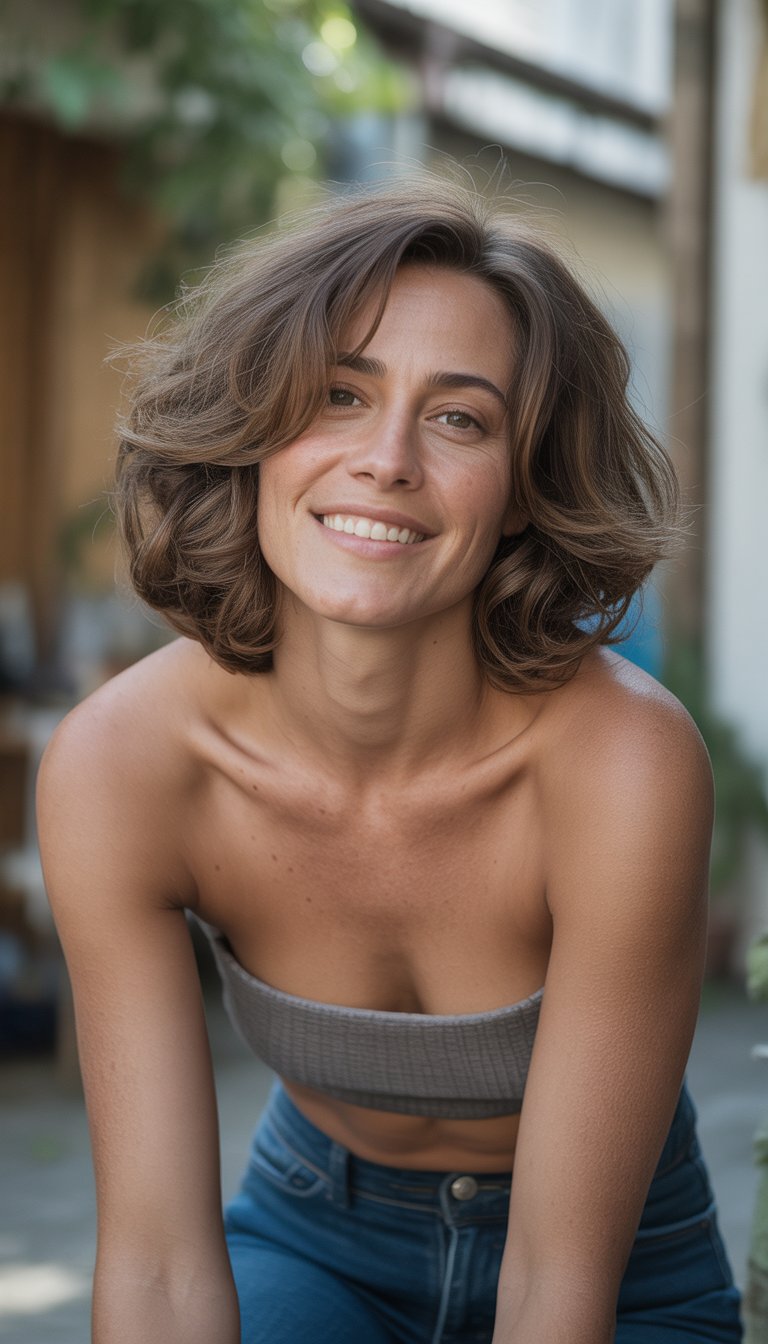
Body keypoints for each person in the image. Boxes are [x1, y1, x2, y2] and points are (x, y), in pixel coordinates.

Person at [37, 178, 743, 1344]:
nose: (388, 460)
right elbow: (159, 1273)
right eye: (339, 396)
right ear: (257, 429)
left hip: (616, 1266)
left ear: (524, 489)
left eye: (460, 418)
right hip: (316, 1235)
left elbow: (556, 1290)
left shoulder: (623, 764)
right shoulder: (126, 765)